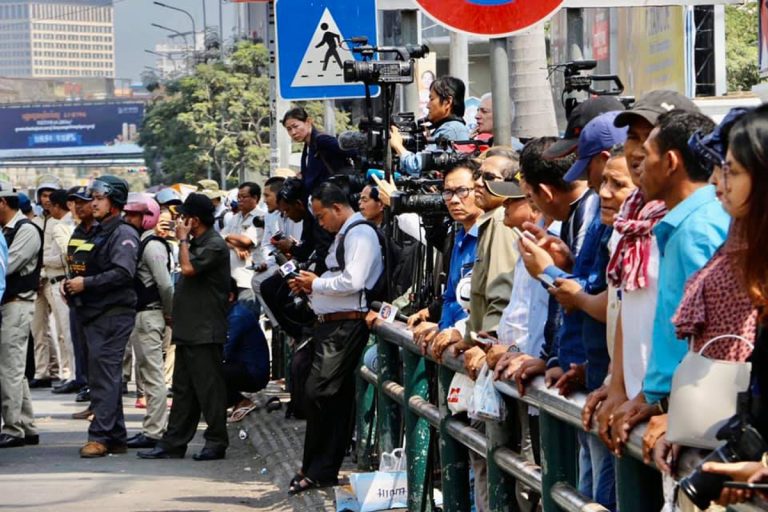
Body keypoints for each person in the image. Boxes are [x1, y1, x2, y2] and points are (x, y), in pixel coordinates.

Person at [610, 108, 726, 449]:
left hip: (693, 423)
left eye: (647, 156)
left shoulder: (698, 230)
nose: (638, 166)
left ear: (671, 162)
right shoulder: (681, 225)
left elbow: (717, 338)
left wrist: (679, 412)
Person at [286, 182, 383, 494]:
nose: (320, 222)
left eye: (321, 215)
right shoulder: (343, 235)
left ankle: (318, 467)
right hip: (329, 324)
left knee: (319, 394)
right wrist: (311, 285)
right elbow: (335, 276)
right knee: (326, 396)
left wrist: (316, 285)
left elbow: (353, 280)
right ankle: (317, 468)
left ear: (338, 208)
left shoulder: (360, 233)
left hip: (345, 326)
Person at [138, 193, 231, 461]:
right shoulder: (197, 243)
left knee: (209, 389)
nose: (179, 220)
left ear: (195, 219)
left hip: (205, 330)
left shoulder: (213, 244)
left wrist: (181, 239)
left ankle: (216, 441)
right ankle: (174, 442)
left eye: (183, 216)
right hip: (189, 329)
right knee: (183, 390)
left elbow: (188, 270)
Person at [64, 176, 138, 458]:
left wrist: (87, 283)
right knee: (103, 376)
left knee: (103, 377)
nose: (93, 203)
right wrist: (73, 284)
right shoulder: (97, 231)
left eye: (99, 198)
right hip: (93, 312)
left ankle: (99, 437)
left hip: (113, 313)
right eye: (92, 197)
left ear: (115, 202)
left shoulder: (123, 233)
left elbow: (122, 273)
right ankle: (117, 436)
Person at [122, 194, 173, 450]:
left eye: (134, 214)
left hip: (150, 315)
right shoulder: (140, 243)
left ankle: (154, 431)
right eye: (128, 214)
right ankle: (152, 427)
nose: (128, 218)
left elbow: (165, 284)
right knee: (147, 374)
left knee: (153, 376)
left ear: (148, 217)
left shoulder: (152, 245)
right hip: (142, 315)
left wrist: (170, 313)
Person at [0, 184, 40, 449]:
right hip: (10, 304)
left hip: (17, 304)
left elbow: (7, 266)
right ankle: (26, 425)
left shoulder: (27, 230)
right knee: (14, 368)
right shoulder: (7, 231)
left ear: (3, 202)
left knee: (10, 369)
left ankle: (12, 428)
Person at [390, 76, 470, 176]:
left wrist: (397, 145)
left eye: (431, 99)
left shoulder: (451, 129)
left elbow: (417, 166)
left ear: (447, 102)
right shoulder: (452, 127)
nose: (428, 105)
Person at [29, 175, 64, 388]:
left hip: (55, 279)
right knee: (38, 330)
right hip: (36, 281)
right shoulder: (33, 222)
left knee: (62, 330)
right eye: (43, 195)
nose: (47, 199)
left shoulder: (61, 222)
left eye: (51, 195)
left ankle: (65, 372)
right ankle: (43, 372)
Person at [65, 186, 96, 417]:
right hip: (77, 301)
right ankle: (91, 396)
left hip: (97, 301)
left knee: (98, 356)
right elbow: (72, 262)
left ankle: (101, 405)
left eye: (83, 202)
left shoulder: (102, 231)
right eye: (75, 202)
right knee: (82, 351)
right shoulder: (77, 232)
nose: (78, 206)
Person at [43, 190, 77, 394]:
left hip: (61, 283)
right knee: (67, 333)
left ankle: (74, 375)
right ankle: (73, 373)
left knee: (68, 333)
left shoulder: (60, 227)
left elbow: (67, 256)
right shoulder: (69, 224)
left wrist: (43, 260)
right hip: (61, 281)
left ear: (57, 206)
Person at [224, 279, 270, 423]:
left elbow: (224, 351)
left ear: (230, 296)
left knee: (208, 371)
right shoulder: (230, 312)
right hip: (243, 366)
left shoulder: (237, 316)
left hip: (253, 372)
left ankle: (241, 401)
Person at [282, 106, 351, 193]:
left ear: (308, 122)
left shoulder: (322, 140)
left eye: (295, 126)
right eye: (289, 129)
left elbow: (352, 151)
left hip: (333, 197)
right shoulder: (307, 147)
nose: (293, 132)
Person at [222, 182, 262, 302]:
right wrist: (235, 247)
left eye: (244, 197)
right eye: (238, 197)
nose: (240, 200)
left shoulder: (260, 218)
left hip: (247, 278)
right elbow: (219, 239)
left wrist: (227, 236)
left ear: (255, 198)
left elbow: (246, 241)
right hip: (231, 278)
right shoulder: (236, 217)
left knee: (246, 315)